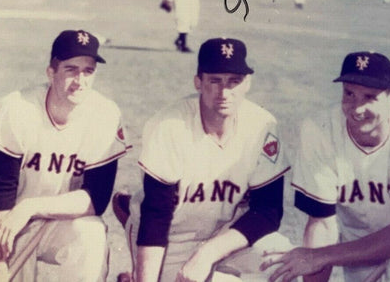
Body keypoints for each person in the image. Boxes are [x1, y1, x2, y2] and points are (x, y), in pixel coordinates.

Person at [115, 37, 291, 282]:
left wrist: (208, 253)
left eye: (234, 81)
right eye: (215, 81)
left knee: (283, 260)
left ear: (247, 83)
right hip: (170, 238)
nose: (224, 92)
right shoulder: (169, 125)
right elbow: (156, 217)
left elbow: (268, 211)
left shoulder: (262, 125)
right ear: (198, 82)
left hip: (225, 234)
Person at [264, 51, 390, 282]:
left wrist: (321, 256)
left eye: (370, 97)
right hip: (357, 247)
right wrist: (315, 259)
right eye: (349, 94)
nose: (357, 108)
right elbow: (321, 222)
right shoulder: (320, 129)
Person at [0, 29, 131, 281]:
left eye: (88, 71)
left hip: (60, 218)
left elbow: (97, 199)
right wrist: (0, 266)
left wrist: (32, 207)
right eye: (71, 69)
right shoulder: (17, 108)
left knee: (91, 234)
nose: (80, 81)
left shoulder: (105, 113)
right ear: (51, 72)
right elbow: (1, 190)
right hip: (7, 217)